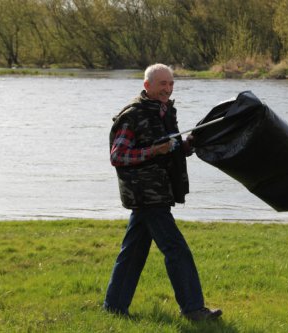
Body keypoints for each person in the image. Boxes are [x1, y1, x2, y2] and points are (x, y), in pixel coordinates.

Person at [104, 63, 222, 321]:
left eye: (170, 84)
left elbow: (168, 148)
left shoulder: (166, 111)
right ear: (147, 86)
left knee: (133, 251)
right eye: (162, 84)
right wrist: (153, 151)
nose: (167, 89)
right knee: (176, 249)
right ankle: (193, 309)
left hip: (158, 192)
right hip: (146, 194)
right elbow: (118, 156)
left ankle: (114, 307)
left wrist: (185, 146)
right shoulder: (132, 115)